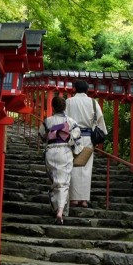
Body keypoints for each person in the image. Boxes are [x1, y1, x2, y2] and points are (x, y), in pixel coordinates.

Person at [39, 95, 83, 225]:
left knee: (55, 181)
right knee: (64, 183)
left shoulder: (48, 121)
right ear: (65, 107)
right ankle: (60, 212)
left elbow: (42, 135)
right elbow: (77, 136)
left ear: (52, 107)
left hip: (51, 151)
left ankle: (57, 208)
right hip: (64, 151)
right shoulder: (71, 122)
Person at [66, 79, 107, 208]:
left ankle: (73, 199)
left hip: (72, 138)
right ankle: (84, 200)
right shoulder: (93, 103)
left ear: (74, 89)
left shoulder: (68, 102)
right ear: (87, 89)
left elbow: (64, 120)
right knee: (86, 169)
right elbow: (100, 122)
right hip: (88, 138)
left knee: (72, 167)